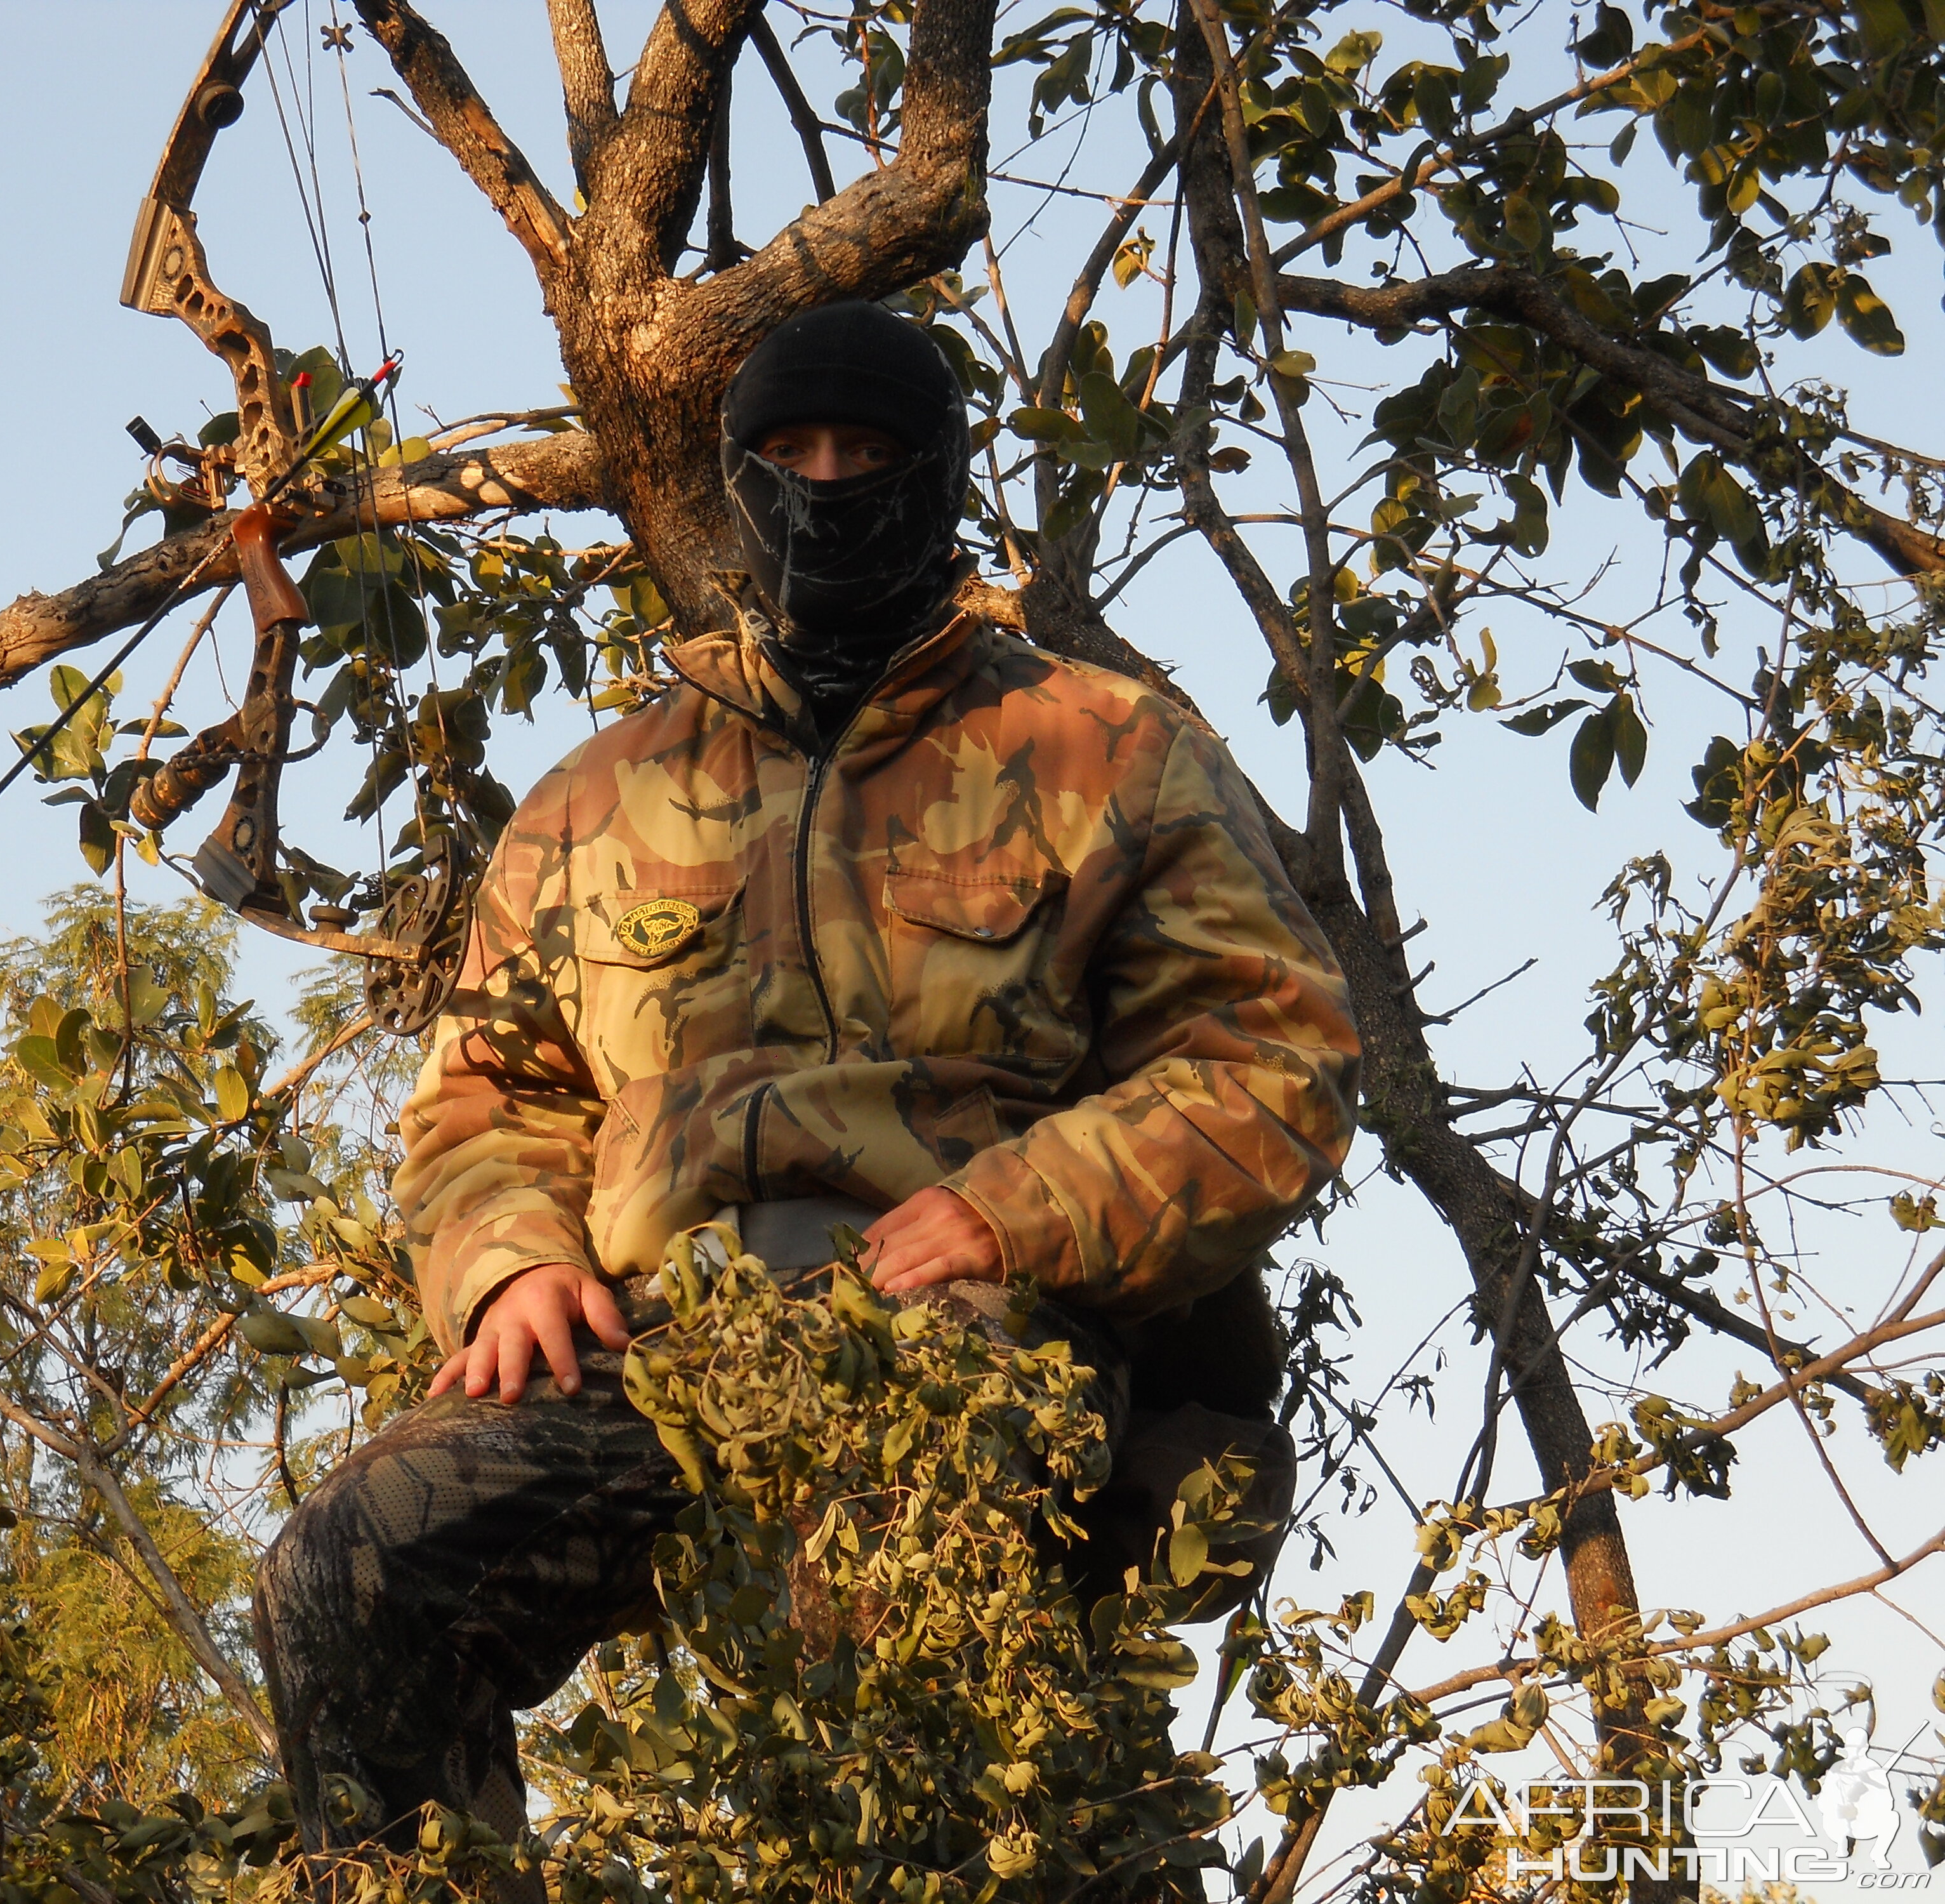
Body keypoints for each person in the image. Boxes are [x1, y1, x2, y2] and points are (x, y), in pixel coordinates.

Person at [249, 300, 1361, 1872]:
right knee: (347, 1564)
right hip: (661, 1352)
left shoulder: (1103, 749)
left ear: (937, 475)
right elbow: (483, 1103)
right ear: (732, 481)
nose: (825, 486)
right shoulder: (597, 795)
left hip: (973, 1346)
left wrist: (1008, 1210)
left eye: (865, 452)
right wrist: (511, 1264)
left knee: (881, 1683)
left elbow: (1273, 1060)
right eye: (784, 455)